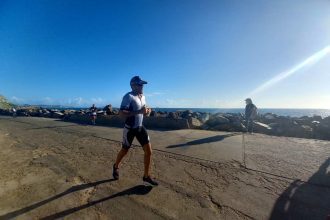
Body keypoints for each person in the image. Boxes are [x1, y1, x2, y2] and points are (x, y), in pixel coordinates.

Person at [113, 76, 158, 186]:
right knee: (124, 151)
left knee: (149, 152)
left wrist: (147, 111)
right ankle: (115, 166)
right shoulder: (128, 97)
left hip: (140, 127)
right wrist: (139, 111)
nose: (142, 86)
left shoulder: (143, 97)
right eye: (139, 84)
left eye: (142, 84)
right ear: (133, 85)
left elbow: (143, 111)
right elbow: (121, 114)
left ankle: (146, 176)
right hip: (130, 129)